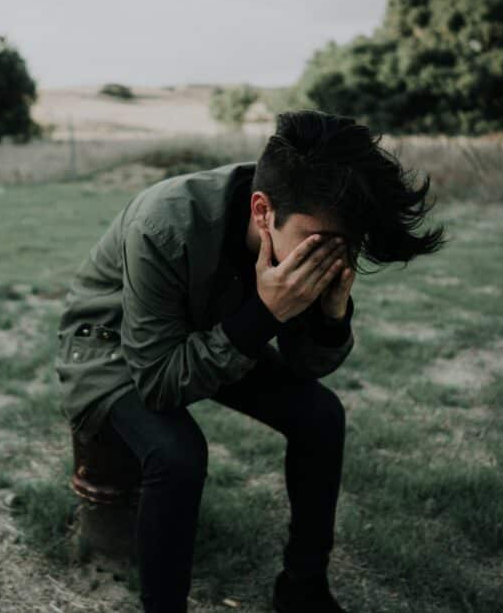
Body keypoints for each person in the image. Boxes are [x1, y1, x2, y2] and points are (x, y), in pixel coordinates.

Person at [55, 110, 447, 612]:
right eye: (320, 242)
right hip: (111, 346)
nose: (331, 257)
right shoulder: (165, 222)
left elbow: (306, 367)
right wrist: (264, 314)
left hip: (211, 334)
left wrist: (330, 316)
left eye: (346, 245)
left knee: (321, 416)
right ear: (262, 212)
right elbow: (158, 383)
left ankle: (303, 589)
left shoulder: (309, 215)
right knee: (177, 455)